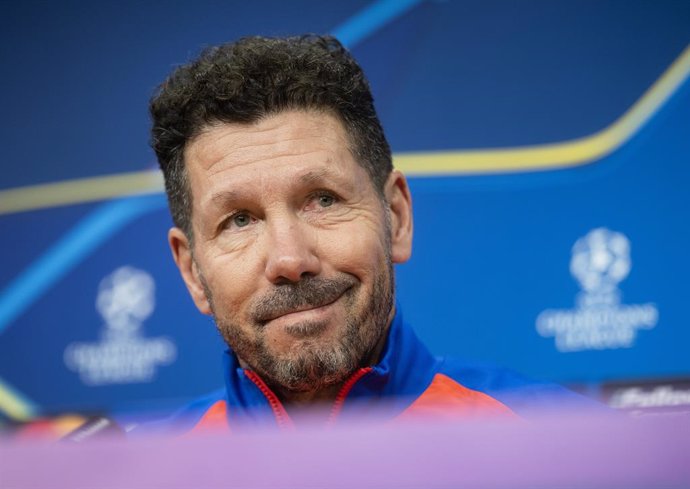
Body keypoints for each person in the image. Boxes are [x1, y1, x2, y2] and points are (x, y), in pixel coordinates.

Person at [149, 35, 585, 433]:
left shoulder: (561, 445)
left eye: (323, 199)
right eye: (240, 221)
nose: (290, 260)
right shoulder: (145, 473)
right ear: (191, 271)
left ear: (395, 216)